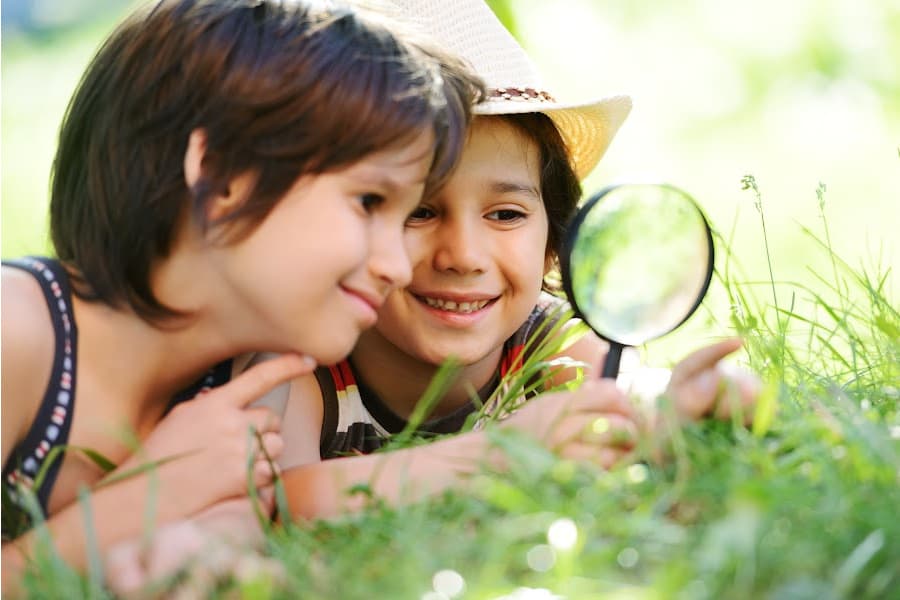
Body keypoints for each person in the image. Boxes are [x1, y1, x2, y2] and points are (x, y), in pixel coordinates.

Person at [0, 0, 485, 592]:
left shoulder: (254, 375)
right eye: (369, 203)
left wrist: (204, 552)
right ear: (224, 176)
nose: (398, 267)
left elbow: (231, 527)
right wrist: (147, 495)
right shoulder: (18, 330)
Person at [266, 0, 760, 516]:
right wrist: (498, 453)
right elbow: (281, 503)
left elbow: (623, 398)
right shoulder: (305, 355)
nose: (463, 256)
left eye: (505, 215)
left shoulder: (547, 339)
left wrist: (676, 402)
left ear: (553, 246)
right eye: (419, 212)